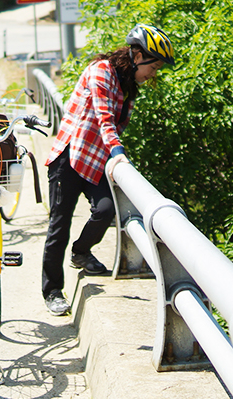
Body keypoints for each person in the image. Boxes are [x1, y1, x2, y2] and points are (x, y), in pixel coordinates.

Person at [42, 24, 175, 316]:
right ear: (137, 55)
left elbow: (116, 123)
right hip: (69, 157)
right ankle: (52, 291)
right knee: (58, 227)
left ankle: (81, 252)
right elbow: (104, 118)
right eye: (154, 65)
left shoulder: (128, 86)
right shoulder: (101, 70)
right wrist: (118, 151)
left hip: (95, 159)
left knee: (105, 210)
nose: (155, 72)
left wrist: (114, 156)